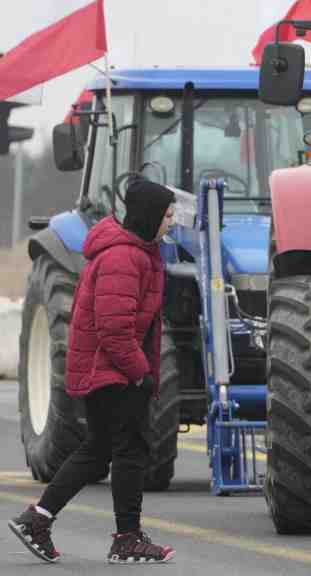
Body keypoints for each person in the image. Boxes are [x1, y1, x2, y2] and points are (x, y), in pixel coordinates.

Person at [8, 176, 177, 565]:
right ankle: (127, 539)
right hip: (114, 369)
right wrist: (140, 371)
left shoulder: (137, 251)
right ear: (151, 215)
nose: (171, 222)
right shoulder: (124, 257)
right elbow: (115, 328)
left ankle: (38, 519)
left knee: (99, 450)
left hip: (109, 368)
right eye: (167, 215)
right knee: (130, 450)